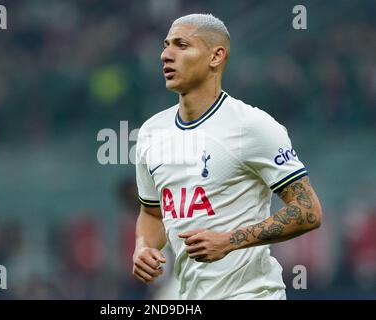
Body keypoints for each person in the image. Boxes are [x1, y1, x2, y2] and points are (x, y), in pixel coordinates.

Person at [132, 13, 323, 300]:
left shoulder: (252, 126)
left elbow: (308, 211)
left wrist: (228, 242)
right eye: (166, 45)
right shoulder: (150, 132)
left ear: (216, 56)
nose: (166, 55)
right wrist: (144, 246)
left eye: (181, 45)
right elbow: (152, 212)